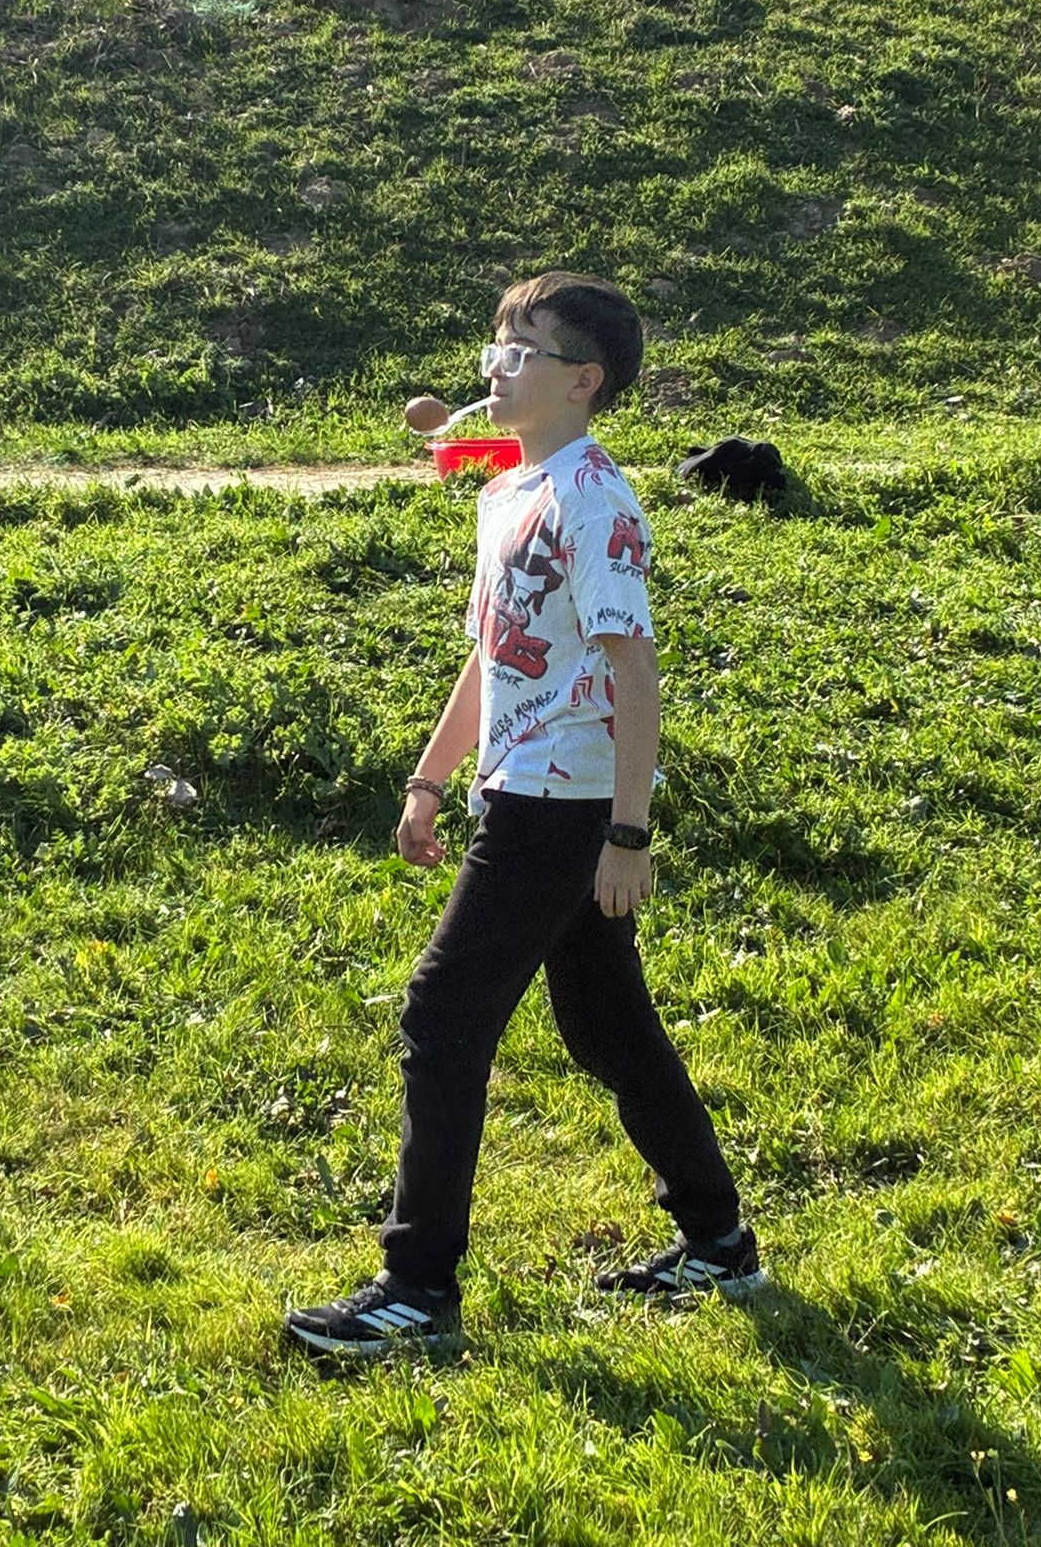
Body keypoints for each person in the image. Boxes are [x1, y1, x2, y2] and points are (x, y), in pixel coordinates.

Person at [284, 272, 763, 1359]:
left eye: (522, 350)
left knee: (442, 1014)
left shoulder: (595, 502)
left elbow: (633, 669)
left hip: (562, 804)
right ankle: (719, 1240)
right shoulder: (510, 488)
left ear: (583, 381)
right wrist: (428, 779)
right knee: (605, 1024)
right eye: (495, 346)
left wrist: (626, 832)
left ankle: (415, 1290)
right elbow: (494, 653)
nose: (496, 367)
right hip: (518, 788)